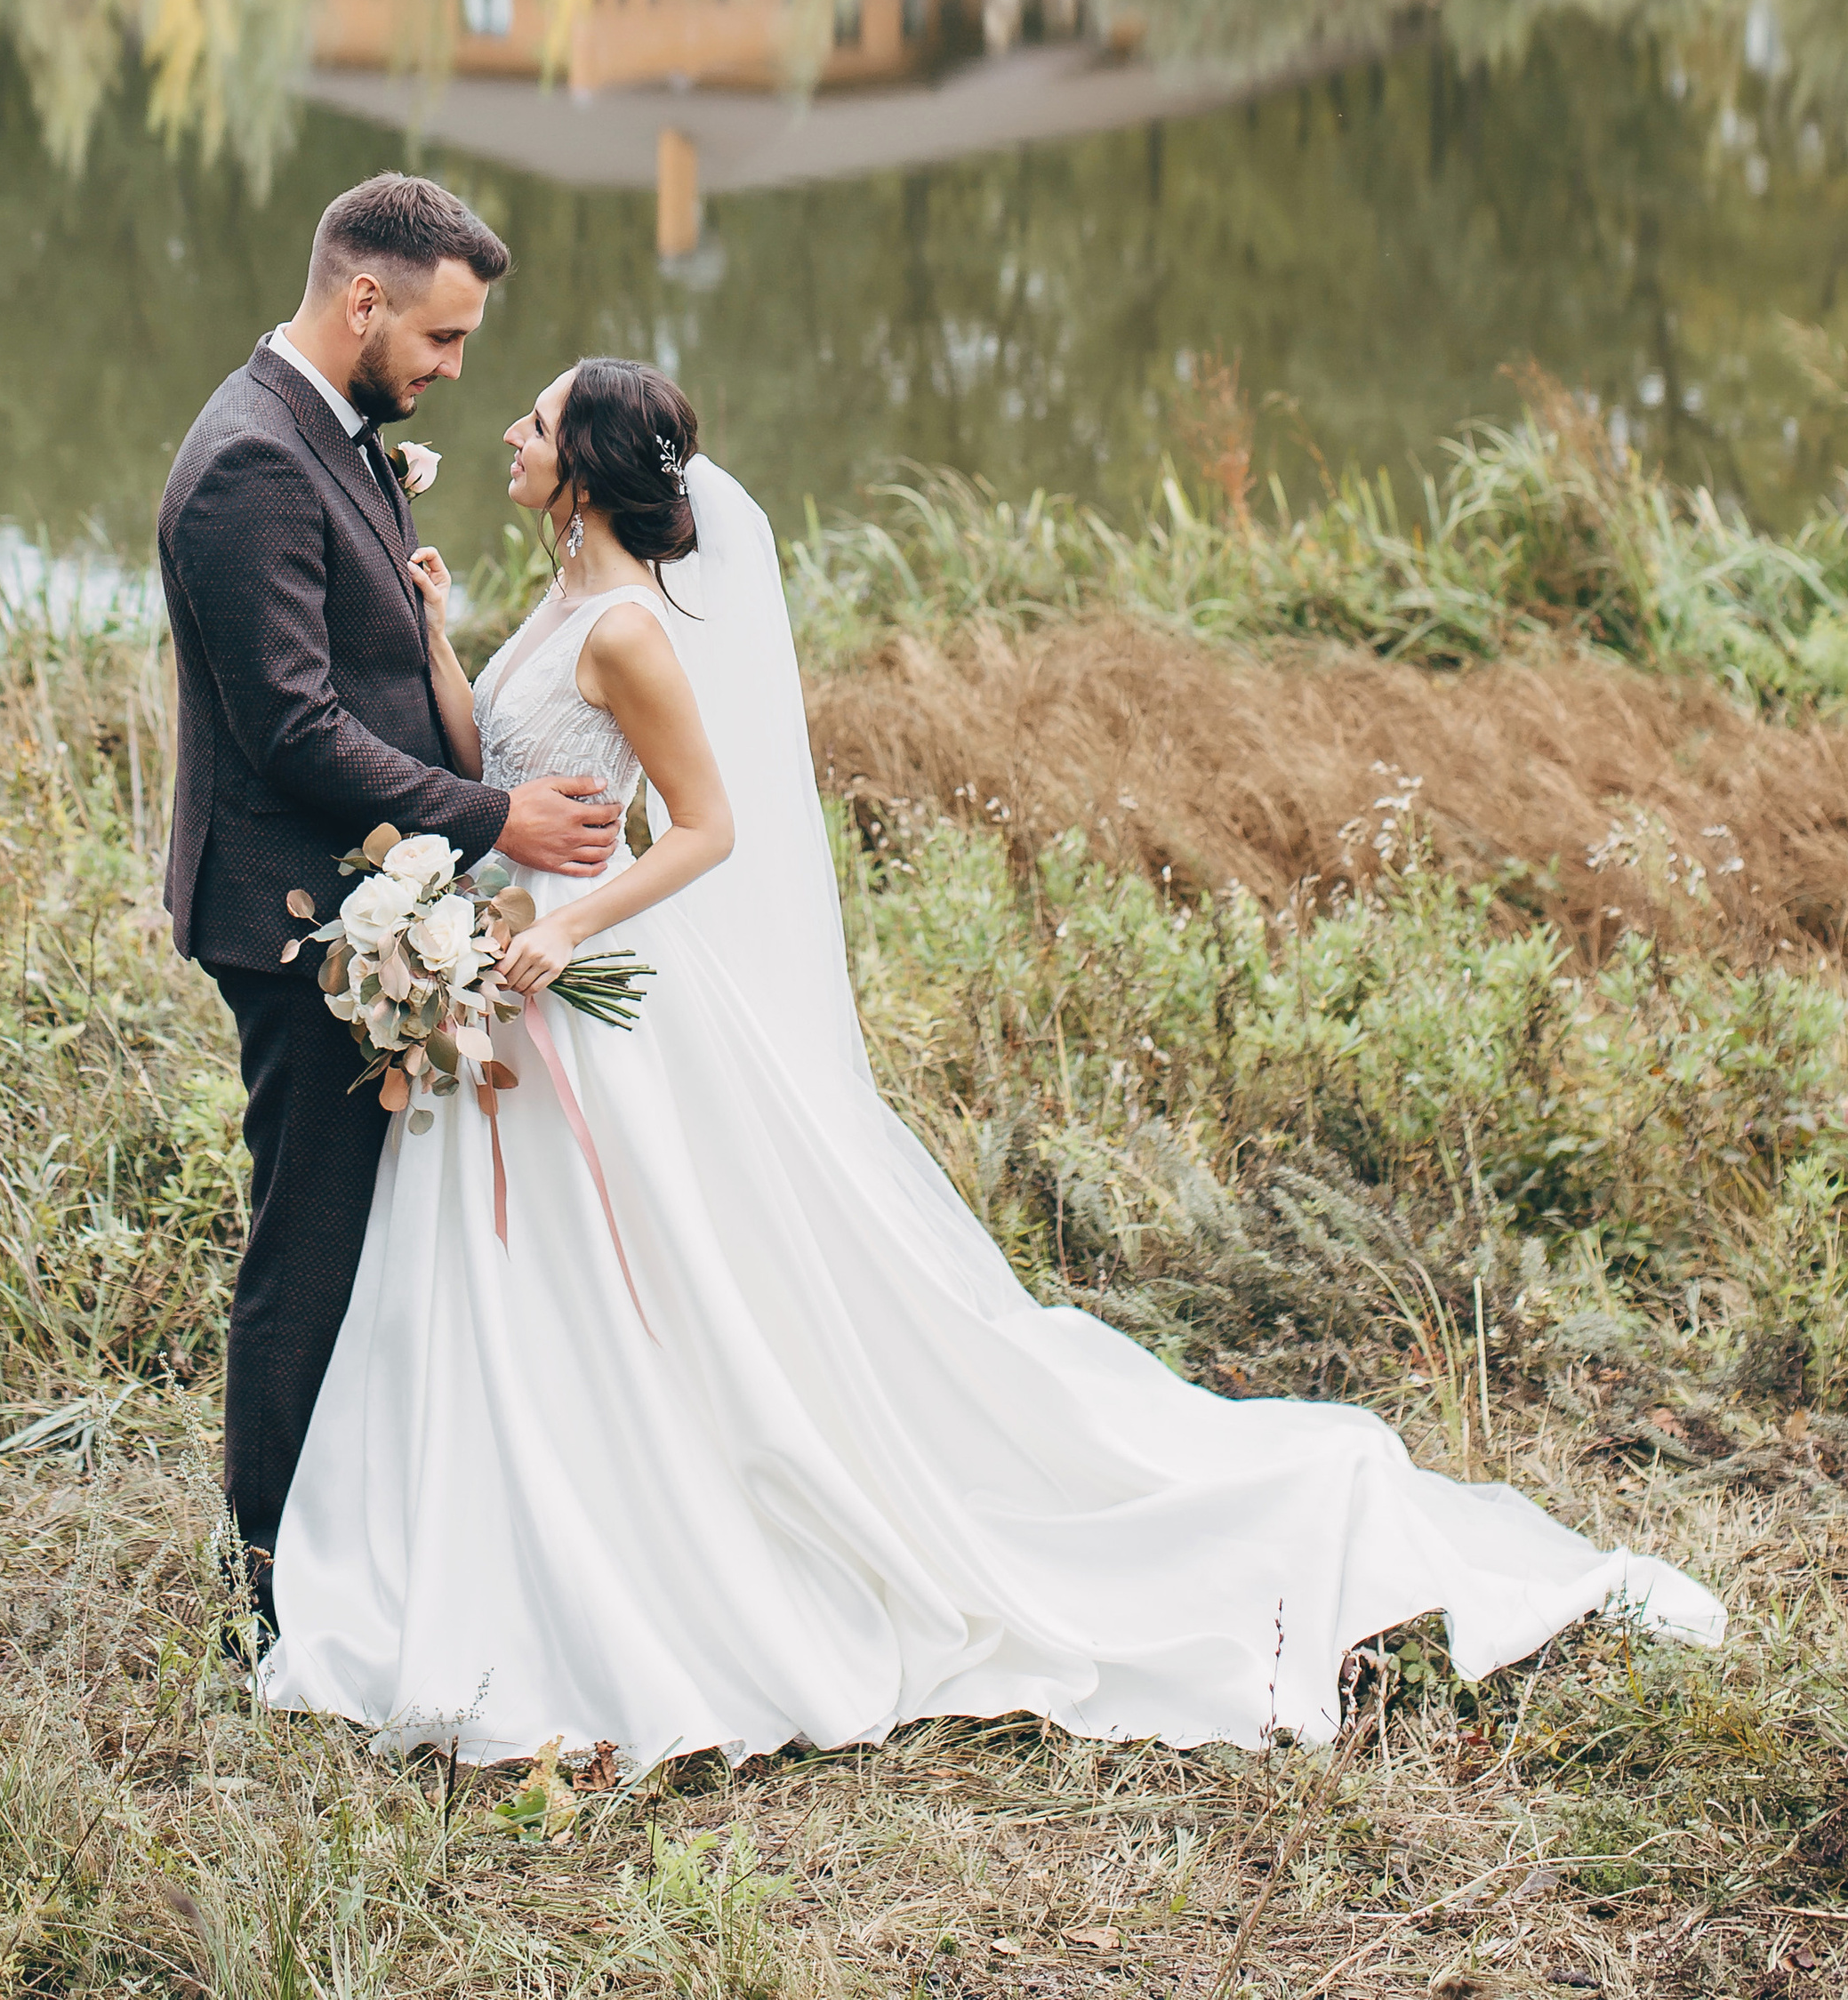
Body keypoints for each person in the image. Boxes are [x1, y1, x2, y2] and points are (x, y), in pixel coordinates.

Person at [261, 357, 1723, 1764]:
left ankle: (649, 1555)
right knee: (543, 1289)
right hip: (522, 975)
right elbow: (497, 770)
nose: (509, 429)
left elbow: (705, 830)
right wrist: (446, 636)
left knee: (657, 1287)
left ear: (578, 473)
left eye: (535, 420)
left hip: (589, 978)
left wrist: (574, 931)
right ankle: (517, 1534)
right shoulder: (563, 595)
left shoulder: (631, 626)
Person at [157, 174, 623, 1632]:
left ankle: (363, 1539)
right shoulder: (247, 464)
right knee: (309, 1244)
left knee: (371, 1238)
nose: (453, 371)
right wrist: (497, 816)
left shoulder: (332, 430)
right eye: (442, 338)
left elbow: (350, 655)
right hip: (297, 923)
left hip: (367, 902)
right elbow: (292, 729)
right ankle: (274, 1587)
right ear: (364, 299)